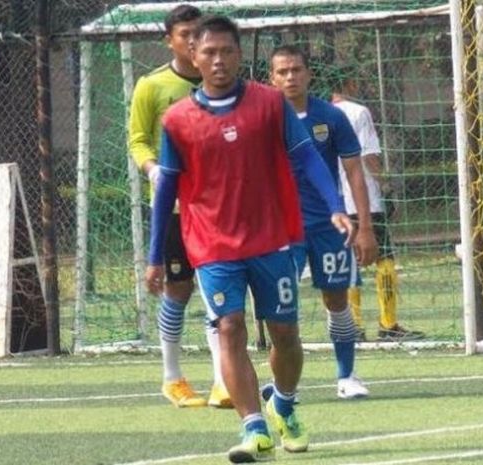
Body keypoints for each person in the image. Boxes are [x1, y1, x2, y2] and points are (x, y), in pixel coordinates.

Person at [145, 15, 354, 463]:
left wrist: (335, 204)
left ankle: (283, 401)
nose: (218, 60)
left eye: (227, 51)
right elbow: (165, 191)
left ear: (240, 56)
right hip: (213, 245)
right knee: (229, 328)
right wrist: (154, 254)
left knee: (284, 334)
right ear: (193, 56)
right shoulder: (178, 120)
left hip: (272, 238)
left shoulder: (269, 104)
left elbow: (306, 156)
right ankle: (254, 427)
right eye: (209, 52)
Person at [128, 4, 231, 409]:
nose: (193, 41)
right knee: (179, 290)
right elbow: (137, 139)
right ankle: (173, 377)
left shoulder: (222, 87)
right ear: (168, 39)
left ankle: (224, 379)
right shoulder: (152, 86)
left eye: (197, 33)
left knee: (218, 291)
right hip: (172, 209)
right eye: (185, 34)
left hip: (216, 208)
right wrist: (153, 169)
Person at [268, 45, 377, 400]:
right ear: (272, 77)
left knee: (337, 299)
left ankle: (347, 375)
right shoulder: (264, 119)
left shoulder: (331, 116)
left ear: (308, 74)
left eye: (296, 70)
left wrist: (365, 227)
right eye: (282, 71)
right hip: (281, 228)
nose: (290, 77)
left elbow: (354, 173)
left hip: (330, 225)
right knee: (282, 308)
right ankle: (286, 385)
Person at [331, 69, 425, 342]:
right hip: (366, 200)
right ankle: (388, 324)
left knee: (350, 264)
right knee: (385, 259)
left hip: (336, 202)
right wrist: (385, 185)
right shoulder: (359, 112)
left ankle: (354, 327)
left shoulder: (321, 113)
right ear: (350, 82)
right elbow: (369, 157)